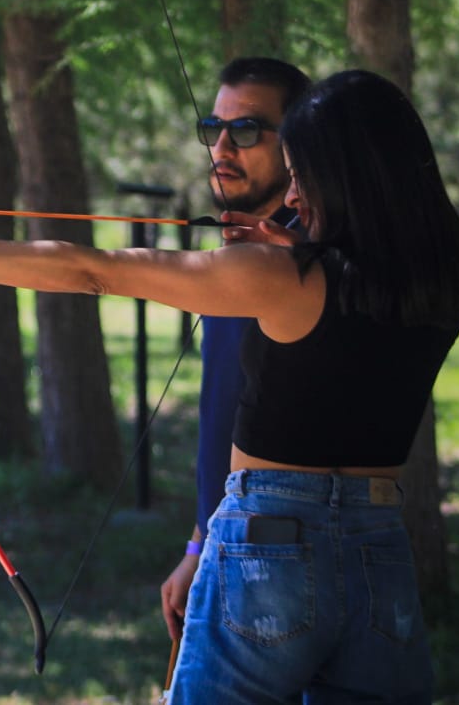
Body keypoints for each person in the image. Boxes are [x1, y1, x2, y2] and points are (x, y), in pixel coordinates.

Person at [0, 69, 459, 704]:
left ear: (345, 176)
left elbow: (92, 271)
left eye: (303, 177)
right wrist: (291, 248)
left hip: (268, 548)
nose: (294, 199)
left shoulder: (282, 278)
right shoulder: (453, 278)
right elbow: (359, 296)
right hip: (379, 551)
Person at [161, 57, 311, 649]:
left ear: (296, 144)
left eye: (245, 131)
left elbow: (90, 271)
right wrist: (199, 544)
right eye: (212, 129)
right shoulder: (240, 249)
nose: (221, 146)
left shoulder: (305, 260)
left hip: (280, 558)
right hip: (229, 544)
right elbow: (226, 414)